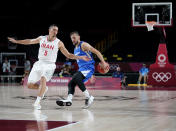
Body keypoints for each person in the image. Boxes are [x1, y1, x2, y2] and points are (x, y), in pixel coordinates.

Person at [8, 25, 89, 110]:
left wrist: (81, 57)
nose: (55, 31)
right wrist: (17, 41)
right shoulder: (41, 38)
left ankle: (37, 102)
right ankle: (44, 88)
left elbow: (68, 55)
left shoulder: (59, 43)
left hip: (49, 65)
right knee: (29, 85)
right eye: (54, 30)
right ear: (49, 30)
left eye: (57, 30)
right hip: (39, 63)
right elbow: (29, 41)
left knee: (43, 79)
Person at [56, 31, 109, 108]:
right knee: (71, 83)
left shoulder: (83, 45)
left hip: (88, 68)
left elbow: (96, 52)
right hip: (82, 69)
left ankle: (88, 97)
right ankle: (69, 100)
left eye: (74, 37)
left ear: (79, 37)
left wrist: (103, 62)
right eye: (71, 38)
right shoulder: (75, 49)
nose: (73, 40)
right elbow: (73, 57)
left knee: (76, 78)